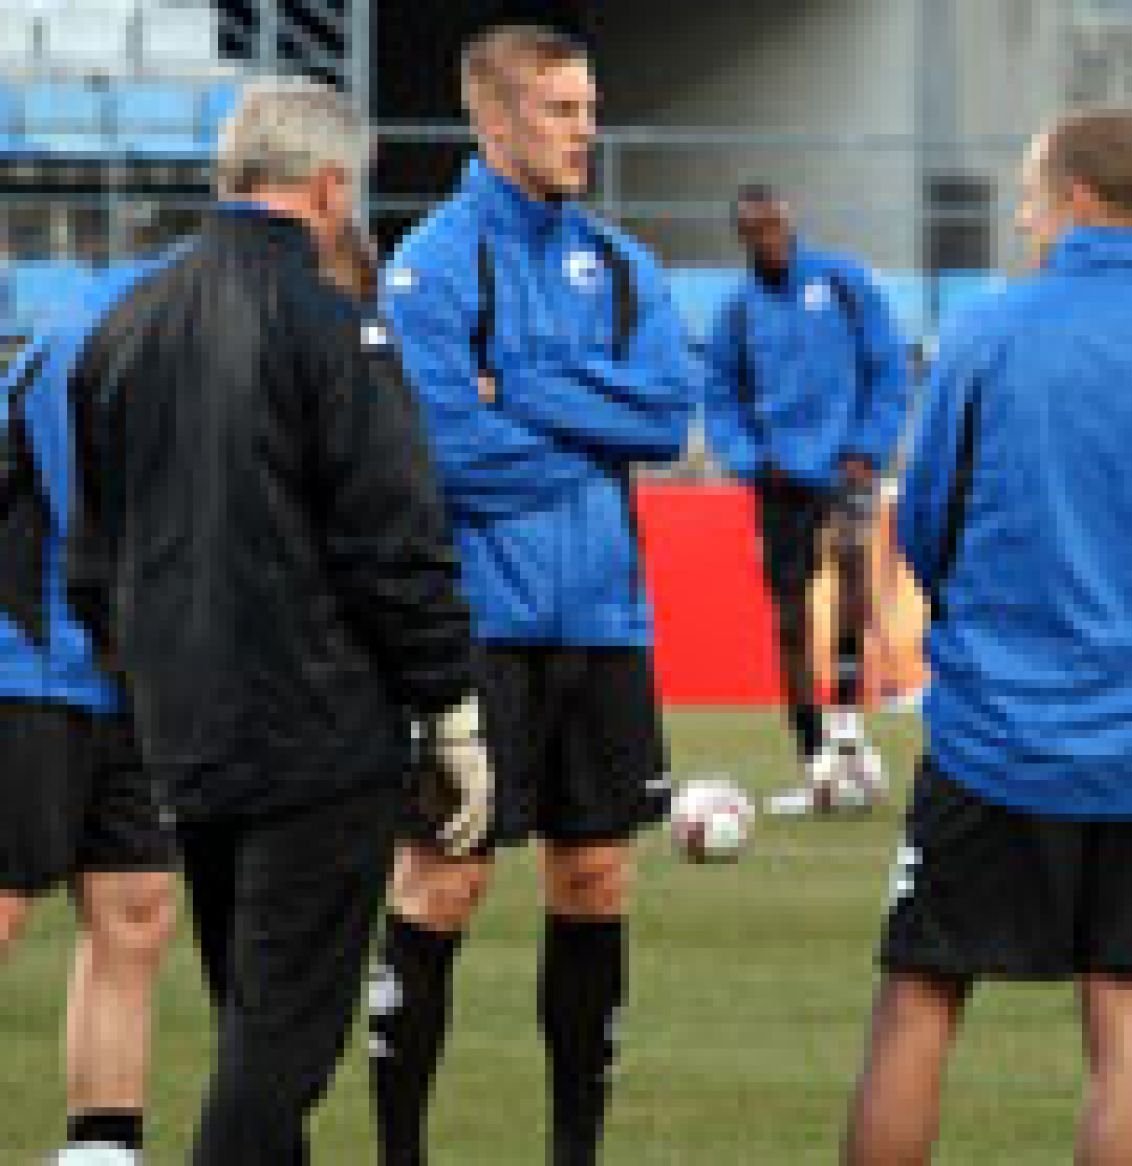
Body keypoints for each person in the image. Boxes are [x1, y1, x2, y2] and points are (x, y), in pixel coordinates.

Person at [0, 78, 492, 1164]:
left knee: (248, 1017)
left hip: (184, 736)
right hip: (313, 737)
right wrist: (449, 706)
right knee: (277, 1051)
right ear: (329, 187)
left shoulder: (123, 325)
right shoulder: (333, 328)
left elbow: (94, 560)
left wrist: (150, 682)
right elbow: (393, 542)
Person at [843, 110, 1132, 1166]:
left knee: (919, 998)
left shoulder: (989, 332)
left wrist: (986, 624)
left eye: (1031, 194)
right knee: (1124, 1016)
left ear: (1076, 196)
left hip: (993, 728)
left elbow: (926, 520)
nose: (1024, 215)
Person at [374, 26, 698, 1166]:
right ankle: (400, 1147)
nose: (586, 128)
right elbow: (440, 451)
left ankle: (576, 1147)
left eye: (588, 105)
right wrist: (582, 431)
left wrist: (525, 384)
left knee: (596, 876)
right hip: (478, 627)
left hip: (605, 623)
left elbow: (667, 415)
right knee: (444, 880)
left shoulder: (621, 267)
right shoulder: (429, 262)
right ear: (494, 119)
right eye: (561, 108)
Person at [0, 287, 176, 1164]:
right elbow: (92, 525)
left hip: (132, 675)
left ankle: (100, 1154)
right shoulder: (88, 344)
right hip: (30, 661)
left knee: (136, 907)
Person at [703, 185, 910, 804]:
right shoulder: (737, 312)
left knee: (852, 577)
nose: (769, 237)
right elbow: (719, 396)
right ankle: (812, 749)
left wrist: (868, 447)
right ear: (742, 235)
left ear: (791, 222)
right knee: (788, 615)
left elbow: (888, 367)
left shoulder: (843, 284)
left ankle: (847, 722)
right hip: (780, 478)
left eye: (776, 225)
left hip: (846, 466)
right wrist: (749, 460)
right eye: (756, 229)